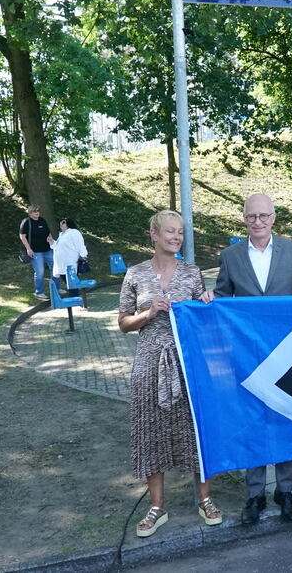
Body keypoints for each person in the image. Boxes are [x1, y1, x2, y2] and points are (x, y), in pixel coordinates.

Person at [199, 194, 292, 525]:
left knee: (285, 418)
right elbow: (223, 294)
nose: (258, 221)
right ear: (244, 219)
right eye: (252, 216)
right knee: (252, 419)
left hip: (288, 353)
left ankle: (285, 491)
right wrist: (211, 296)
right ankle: (255, 494)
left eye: (264, 216)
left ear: (274, 218)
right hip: (247, 354)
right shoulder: (231, 255)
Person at [118, 210, 221, 537]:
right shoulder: (135, 274)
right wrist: (148, 314)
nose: (176, 237)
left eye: (180, 233)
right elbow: (122, 323)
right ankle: (156, 507)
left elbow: (202, 320)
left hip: (186, 361)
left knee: (195, 431)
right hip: (149, 363)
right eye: (170, 232)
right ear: (154, 235)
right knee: (151, 435)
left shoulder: (192, 274)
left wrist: (207, 302)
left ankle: (205, 499)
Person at [19, 205, 54, 300]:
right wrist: (28, 249)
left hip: (47, 250)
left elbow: (48, 232)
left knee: (55, 268)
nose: (37, 213)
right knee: (40, 271)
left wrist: (50, 237)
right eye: (34, 211)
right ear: (30, 213)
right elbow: (22, 236)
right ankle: (39, 292)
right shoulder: (26, 222)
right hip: (35, 252)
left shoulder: (42, 220)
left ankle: (56, 289)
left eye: (38, 211)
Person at [51, 218, 88, 297]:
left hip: (70, 262)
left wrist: (83, 255)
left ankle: (74, 298)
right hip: (61, 263)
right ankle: (74, 297)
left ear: (68, 223)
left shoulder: (74, 232)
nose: (61, 224)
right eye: (60, 223)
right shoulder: (61, 234)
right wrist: (51, 241)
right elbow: (58, 247)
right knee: (67, 280)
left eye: (63, 223)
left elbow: (80, 244)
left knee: (72, 280)